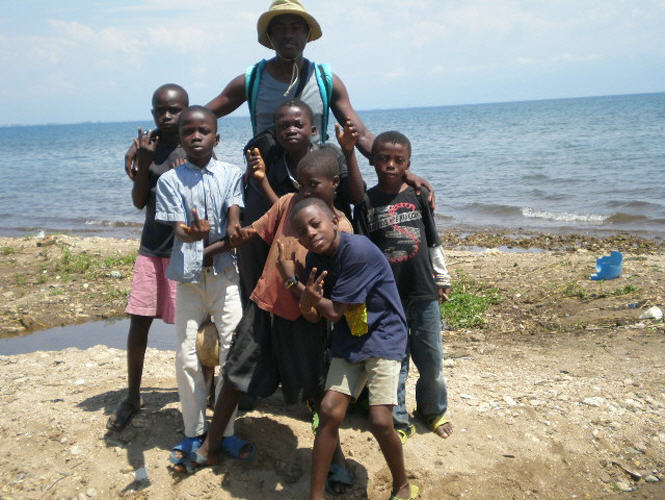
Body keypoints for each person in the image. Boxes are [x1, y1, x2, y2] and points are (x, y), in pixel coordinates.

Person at [196, 144, 357, 493]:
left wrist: (296, 283)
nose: (304, 191)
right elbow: (253, 231)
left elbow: (332, 292)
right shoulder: (287, 205)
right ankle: (211, 445)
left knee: (315, 390)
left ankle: (336, 459)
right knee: (236, 373)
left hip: (303, 318)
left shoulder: (342, 229)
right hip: (263, 305)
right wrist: (211, 250)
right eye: (300, 183)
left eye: (313, 185)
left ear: (334, 184)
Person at [291, 197, 419, 500]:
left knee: (380, 420)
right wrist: (307, 299)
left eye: (315, 224)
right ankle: (316, 495)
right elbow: (313, 314)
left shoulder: (358, 251)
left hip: (384, 335)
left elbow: (333, 311)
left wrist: (294, 286)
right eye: (302, 231)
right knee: (328, 411)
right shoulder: (314, 261)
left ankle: (402, 484)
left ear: (335, 221)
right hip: (350, 337)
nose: (310, 234)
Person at [154, 105, 249, 472]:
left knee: (231, 353)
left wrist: (235, 225)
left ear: (216, 137)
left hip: (225, 275)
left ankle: (226, 431)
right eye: (189, 132)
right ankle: (193, 431)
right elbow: (178, 228)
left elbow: (234, 209)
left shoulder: (231, 172)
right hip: (189, 279)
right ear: (181, 140)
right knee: (187, 356)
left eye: (203, 131)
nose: (196, 137)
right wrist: (188, 234)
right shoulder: (170, 181)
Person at [354, 131, 453, 443]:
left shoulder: (419, 197)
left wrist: (443, 278)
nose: (390, 165)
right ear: (372, 161)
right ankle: (397, 419)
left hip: (423, 291)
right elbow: (365, 253)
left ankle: (432, 410)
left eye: (398, 160)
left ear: (408, 163)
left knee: (432, 361)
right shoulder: (367, 202)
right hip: (388, 297)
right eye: (383, 158)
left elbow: (433, 241)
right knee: (394, 363)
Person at [107, 84, 188, 432]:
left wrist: (186, 174)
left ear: (186, 109)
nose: (167, 115)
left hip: (186, 251)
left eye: (174, 109)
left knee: (196, 328)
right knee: (139, 322)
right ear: (152, 112)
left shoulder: (195, 146)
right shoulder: (147, 149)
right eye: (160, 110)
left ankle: (207, 391)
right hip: (152, 250)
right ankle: (133, 395)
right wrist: (143, 164)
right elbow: (140, 202)